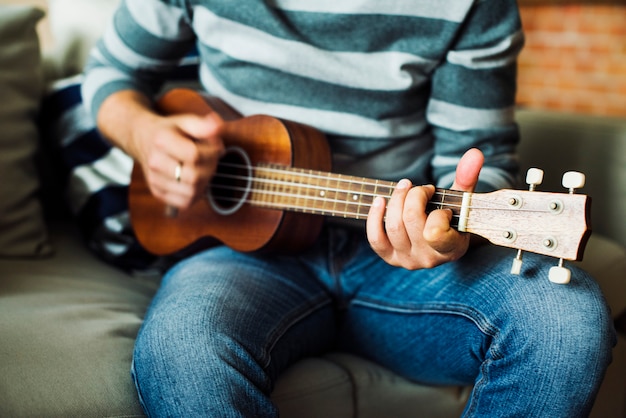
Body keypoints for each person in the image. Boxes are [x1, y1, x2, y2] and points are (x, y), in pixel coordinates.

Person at [82, 0, 615, 416]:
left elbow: (482, 159)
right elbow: (110, 74)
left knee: (567, 317)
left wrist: (454, 236)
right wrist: (145, 133)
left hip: (400, 262)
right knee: (182, 349)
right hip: (238, 249)